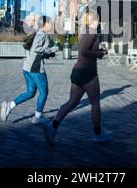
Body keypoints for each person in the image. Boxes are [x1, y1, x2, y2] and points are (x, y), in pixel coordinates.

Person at [44, 10, 113, 146]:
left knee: (72, 102)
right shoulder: (91, 31)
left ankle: (53, 126)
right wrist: (101, 52)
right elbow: (84, 52)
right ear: (95, 20)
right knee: (95, 103)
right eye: (98, 19)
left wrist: (98, 52)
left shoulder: (84, 31)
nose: (99, 22)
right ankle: (98, 134)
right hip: (88, 72)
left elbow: (84, 51)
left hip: (78, 72)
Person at [0, 16, 58, 124]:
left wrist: (47, 53)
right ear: (45, 24)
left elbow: (33, 50)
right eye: (50, 23)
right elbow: (37, 49)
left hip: (27, 68)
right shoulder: (42, 35)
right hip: (35, 69)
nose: (52, 25)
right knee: (44, 92)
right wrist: (52, 49)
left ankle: (9, 106)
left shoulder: (37, 33)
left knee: (31, 92)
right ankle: (37, 117)